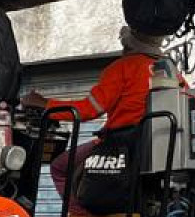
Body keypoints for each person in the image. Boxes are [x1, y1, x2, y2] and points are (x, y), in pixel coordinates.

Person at [23, 25, 170, 202]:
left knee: (60, 167)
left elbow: (88, 110)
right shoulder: (171, 71)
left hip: (119, 144)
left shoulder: (122, 67)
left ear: (128, 45)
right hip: (159, 147)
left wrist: (44, 104)